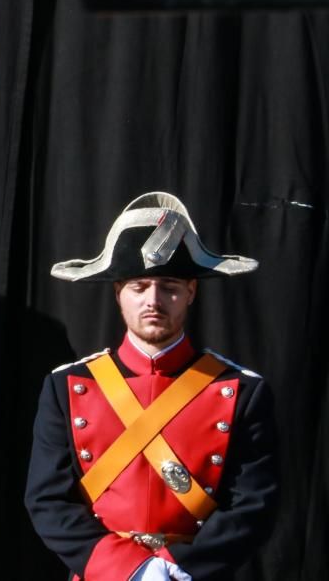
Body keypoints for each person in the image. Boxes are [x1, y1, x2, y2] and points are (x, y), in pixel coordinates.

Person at [24, 192, 278, 581]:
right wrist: (129, 568)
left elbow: (254, 506)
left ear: (192, 291)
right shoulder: (67, 385)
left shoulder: (241, 390)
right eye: (139, 286)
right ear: (118, 292)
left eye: (170, 286)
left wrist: (178, 567)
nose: (154, 301)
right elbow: (47, 500)